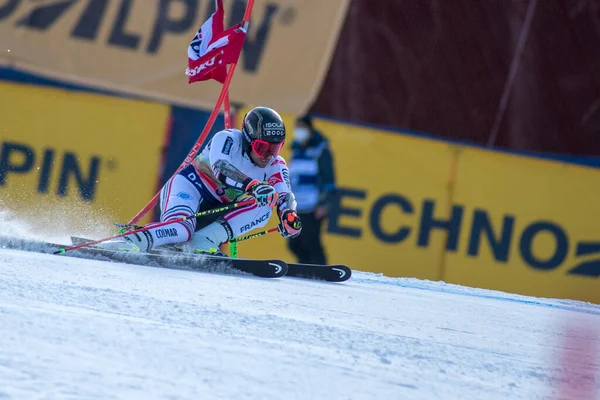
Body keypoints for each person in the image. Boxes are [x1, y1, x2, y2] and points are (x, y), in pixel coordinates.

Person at [102, 106, 302, 255]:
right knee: (181, 230)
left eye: (275, 148)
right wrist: (254, 186)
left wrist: (288, 215)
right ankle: (131, 240)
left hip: (217, 207)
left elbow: (285, 195)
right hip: (191, 186)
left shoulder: (276, 164)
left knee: (265, 206)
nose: (268, 155)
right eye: (262, 148)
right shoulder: (228, 139)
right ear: (249, 139)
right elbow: (221, 168)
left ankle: (204, 241)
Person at [287, 114, 336, 265]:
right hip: (297, 206)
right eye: (297, 127)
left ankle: (320, 269)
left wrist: (323, 204)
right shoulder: (295, 150)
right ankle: (305, 267)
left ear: (310, 129)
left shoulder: (321, 150)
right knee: (294, 244)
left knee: (311, 242)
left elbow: (328, 179)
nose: (299, 131)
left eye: (302, 128)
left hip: (312, 206)